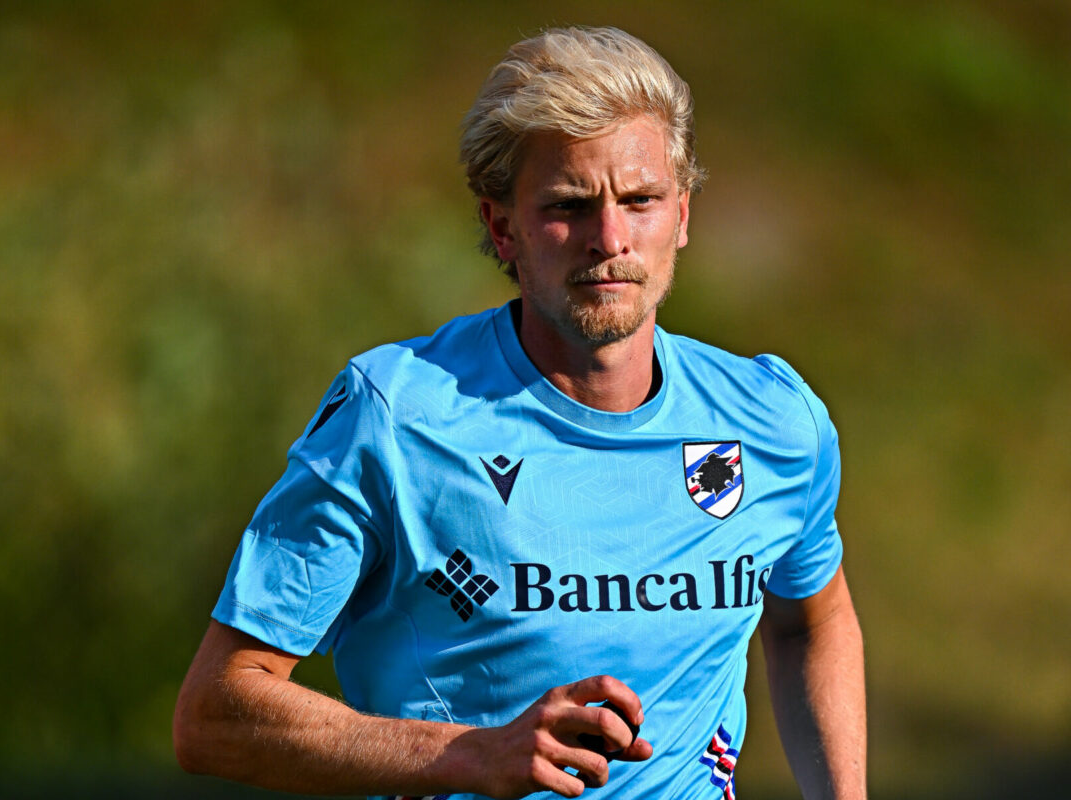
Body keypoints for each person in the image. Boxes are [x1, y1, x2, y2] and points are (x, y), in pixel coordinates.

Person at [173, 25, 866, 800]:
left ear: (682, 214)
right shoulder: (394, 416)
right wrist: (470, 754)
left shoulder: (773, 420)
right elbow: (215, 712)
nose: (610, 239)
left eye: (640, 200)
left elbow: (811, 619)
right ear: (502, 228)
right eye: (570, 205)